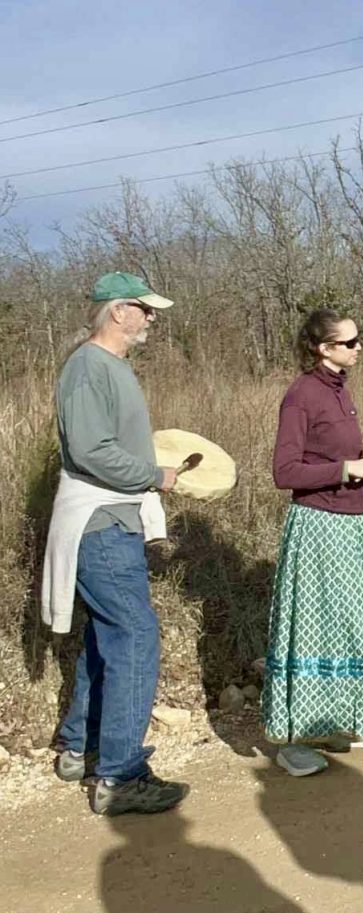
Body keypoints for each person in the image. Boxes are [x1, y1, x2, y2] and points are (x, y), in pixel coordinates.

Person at [42, 271, 189, 816]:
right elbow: (91, 450)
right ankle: (121, 777)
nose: (151, 318)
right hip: (100, 524)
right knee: (135, 636)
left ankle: (82, 748)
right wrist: (154, 475)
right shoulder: (87, 367)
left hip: (112, 522)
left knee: (110, 636)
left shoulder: (109, 367)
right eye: (144, 309)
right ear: (119, 311)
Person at [262, 308, 363, 776]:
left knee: (355, 622)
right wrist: (347, 470)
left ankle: (344, 721)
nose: (358, 347)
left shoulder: (340, 389)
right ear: (323, 349)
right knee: (317, 626)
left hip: (352, 523)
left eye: (358, 340)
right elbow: (283, 472)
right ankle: (294, 741)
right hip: (319, 527)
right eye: (348, 343)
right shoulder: (302, 395)